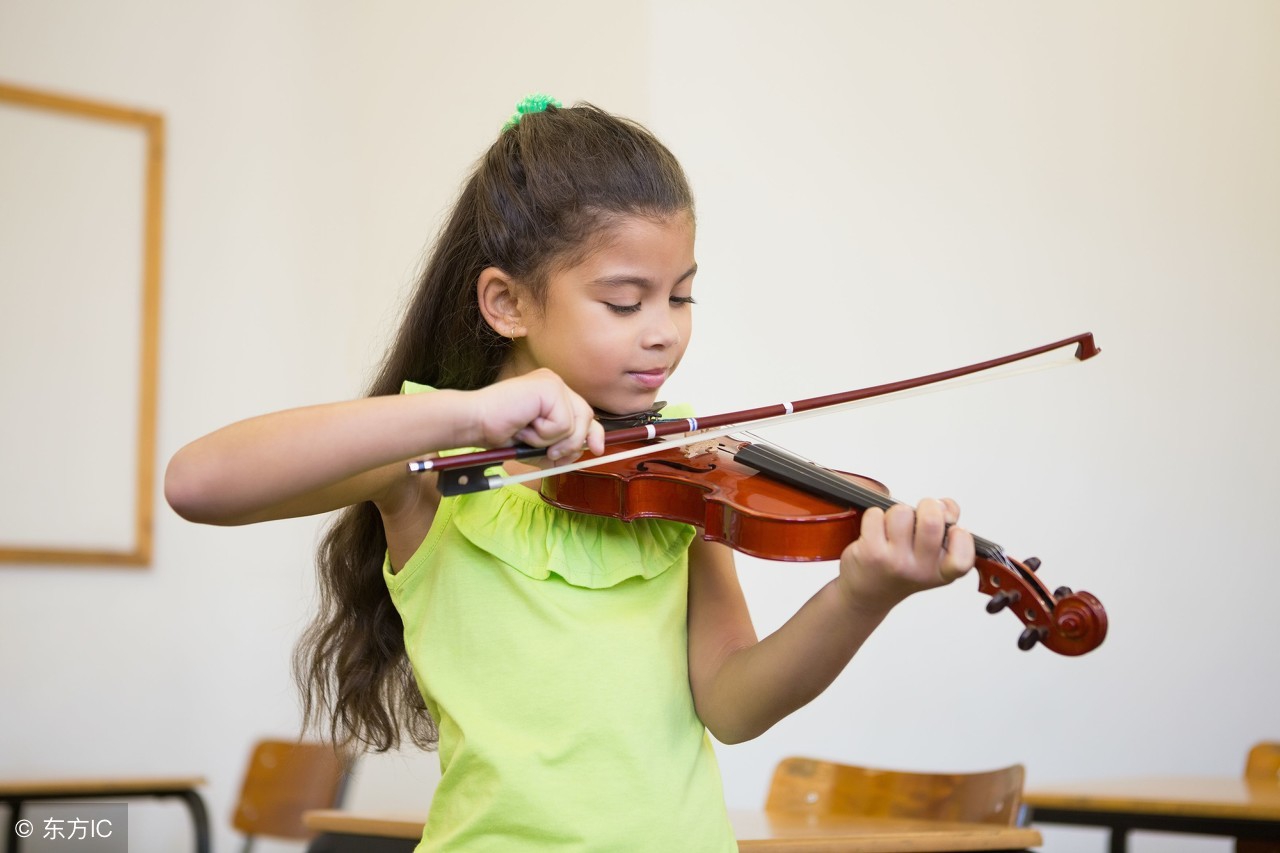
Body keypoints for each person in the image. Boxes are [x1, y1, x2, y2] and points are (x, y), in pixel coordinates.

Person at [165, 95, 975, 852]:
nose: (663, 332)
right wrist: (466, 414)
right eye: (625, 302)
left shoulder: (677, 471)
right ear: (507, 303)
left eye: (681, 297)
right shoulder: (434, 471)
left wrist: (859, 597)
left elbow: (732, 703)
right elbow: (199, 483)